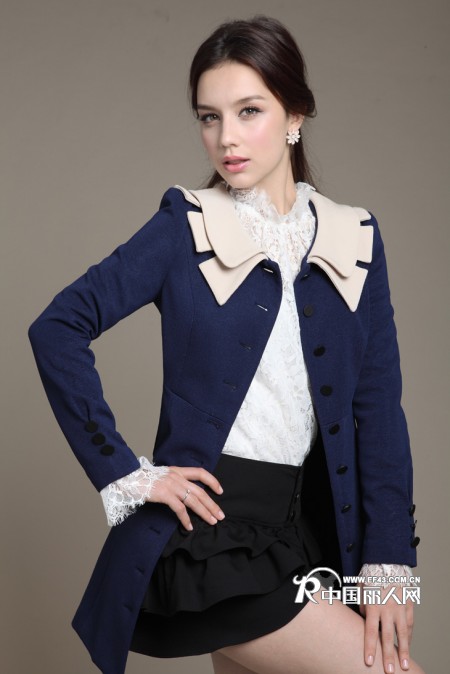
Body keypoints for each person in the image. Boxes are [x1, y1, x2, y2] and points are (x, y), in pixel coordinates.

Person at [28, 15, 425, 674]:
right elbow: (58, 327)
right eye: (208, 117)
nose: (226, 137)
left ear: (294, 114)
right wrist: (126, 473)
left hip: (310, 537)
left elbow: (379, 408)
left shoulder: (355, 237)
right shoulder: (184, 226)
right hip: (212, 541)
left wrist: (391, 563)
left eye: (248, 111)